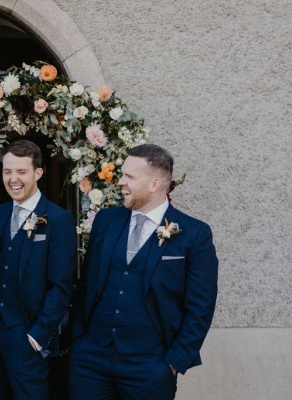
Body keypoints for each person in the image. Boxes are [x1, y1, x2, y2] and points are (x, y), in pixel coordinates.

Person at [69, 143, 219, 400]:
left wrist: (173, 363)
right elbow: (86, 284)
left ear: (155, 184)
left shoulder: (194, 234)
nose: (120, 182)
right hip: (91, 361)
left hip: (151, 367)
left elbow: (201, 307)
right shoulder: (106, 221)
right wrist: (78, 339)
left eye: (129, 176)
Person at [0, 139, 78, 400]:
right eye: (7, 171)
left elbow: (62, 286)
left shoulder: (57, 220)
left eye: (21, 171)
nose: (13, 179)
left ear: (38, 173)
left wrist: (37, 336)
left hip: (28, 335)